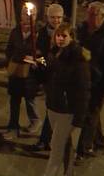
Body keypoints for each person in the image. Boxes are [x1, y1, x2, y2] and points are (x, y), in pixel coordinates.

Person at [76, 2, 104, 162]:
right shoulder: (82, 30)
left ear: (102, 17)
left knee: (88, 115)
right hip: (82, 79)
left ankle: (83, 149)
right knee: (92, 115)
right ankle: (100, 143)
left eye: (93, 15)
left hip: (99, 82)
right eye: (88, 13)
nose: (88, 17)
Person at [42, 23, 90, 176]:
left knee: (56, 149)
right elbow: (48, 79)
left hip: (66, 110)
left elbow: (83, 90)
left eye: (64, 36)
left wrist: (79, 120)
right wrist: (38, 68)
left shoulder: (77, 58)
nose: (60, 39)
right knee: (63, 146)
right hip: (53, 106)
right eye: (58, 35)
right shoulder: (53, 53)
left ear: (72, 37)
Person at [3, 5, 42, 140]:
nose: (27, 16)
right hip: (16, 71)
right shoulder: (16, 31)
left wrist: (37, 60)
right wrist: (10, 60)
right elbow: (9, 49)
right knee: (14, 100)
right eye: (24, 14)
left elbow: (44, 55)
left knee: (30, 99)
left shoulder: (39, 33)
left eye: (31, 14)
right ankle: (13, 127)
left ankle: (35, 120)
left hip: (30, 73)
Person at [31, 3, 64, 151]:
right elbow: (39, 55)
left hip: (62, 77)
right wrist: (44, 64)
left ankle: (47, 139)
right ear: (47, 18)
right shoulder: (43, 33)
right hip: (48, 76)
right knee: (52, 109)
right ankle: (47, 139)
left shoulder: (67, 32)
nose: (56, 20)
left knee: (54, 110)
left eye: (59, 17)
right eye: (53, 17)